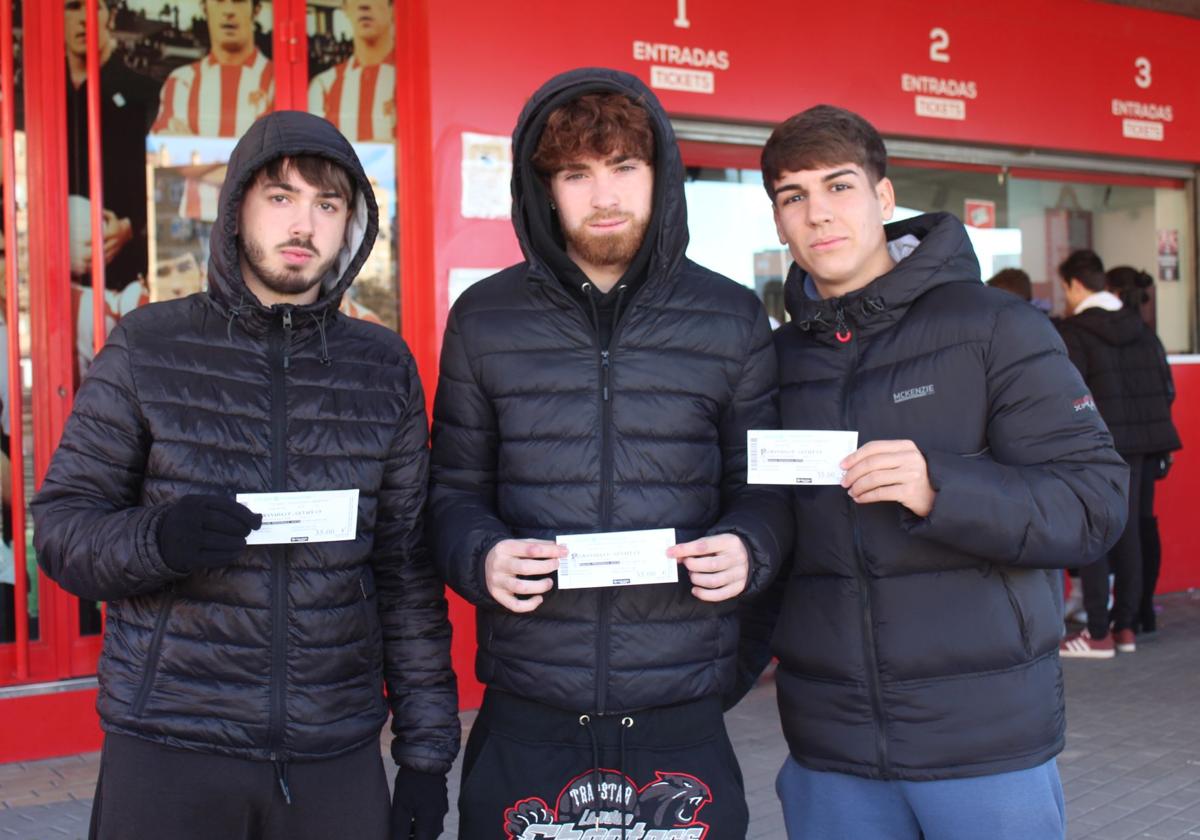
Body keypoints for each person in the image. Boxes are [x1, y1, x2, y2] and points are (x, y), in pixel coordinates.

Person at [31, 111, 458, 840]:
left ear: (351, 225)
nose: (305, 224)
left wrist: (424, 757)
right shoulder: (149, 345)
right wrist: (158, 538)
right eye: (281, 196)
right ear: (236, 211)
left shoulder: (383, 367)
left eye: (329, 205)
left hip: (334, 747)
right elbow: (65, 528)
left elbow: (405, 571)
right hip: (169, 738)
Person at [746, 105, 1127, 839]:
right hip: (833, 750)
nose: (818, 214)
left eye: (839, 187)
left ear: (885, 200)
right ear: (779, 221)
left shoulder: (996, 327)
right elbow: (761, 524)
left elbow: (1094, 503)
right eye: (794, 197)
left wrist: (939, 486)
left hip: (985, 746)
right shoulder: (775, 360)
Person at [429, 67, 790, 838]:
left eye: (625, 167)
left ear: (660, 175)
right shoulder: (483, 319)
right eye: (576, 173)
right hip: (530, 703)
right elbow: (451, 492)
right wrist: (481, 557)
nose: (604, 195)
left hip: (681, 706)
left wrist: (749, 548)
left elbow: (763, 490)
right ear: (544, 189)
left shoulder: (729, 318)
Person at [1056, 252, 1180, 657]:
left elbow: (1068, 394)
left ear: (1075, 284)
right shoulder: (1141, 329)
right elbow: (1163, 387)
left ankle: (1097, 632)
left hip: (1099, 446)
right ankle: (1125, 627)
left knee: (1095, 532)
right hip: (1144, 445)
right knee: (1130, 532)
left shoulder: (1075, 331)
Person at [1105, 265, 1182, 636]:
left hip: (1117, 444)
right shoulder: (1148, 337)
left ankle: (1124, 615)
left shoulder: (1097, 334)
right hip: (1151, 446)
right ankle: (1142, 613)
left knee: (1122, 528)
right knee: (1143, 524)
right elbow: (1168, 391)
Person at [153, 0, 273, 137]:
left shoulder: (280, 81)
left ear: (256, 9)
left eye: (238, 1)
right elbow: (164, 146)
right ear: (205, 8)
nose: (228, 10)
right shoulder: (182, 82)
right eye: (219, 0)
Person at [308, 0, 395, 143]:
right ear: (345, 8)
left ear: (392, 6)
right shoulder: (323, 86)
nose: (364, 5)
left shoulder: (416, 82)